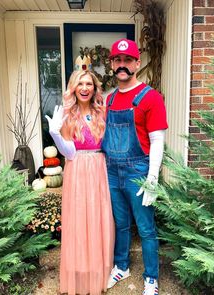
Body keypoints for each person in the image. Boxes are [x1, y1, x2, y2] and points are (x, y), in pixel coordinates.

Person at [101, 38, 168, 295]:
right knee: (120, 224)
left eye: (127, 60)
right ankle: (122, 266)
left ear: (137, 63)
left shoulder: (151, 98)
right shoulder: (109, 100)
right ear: (112, 64)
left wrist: (153, 178)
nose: (122, 65)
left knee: (146, 228)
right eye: (117, 60)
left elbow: (157, 140)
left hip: (138, 171)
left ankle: (151, 278)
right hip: (112, 171)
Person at [45, 69, 114, 295]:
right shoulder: (67, 114)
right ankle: (79, 273)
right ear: (73, 87)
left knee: (97, 218)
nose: (85, 88)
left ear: (95, 88)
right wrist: (55, 133)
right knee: (79, 220)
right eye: (80, 84)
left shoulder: (102, 111)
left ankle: (98, 271)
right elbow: (69, 152)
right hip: (77, 170)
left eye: (89, 84)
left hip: (99, 169)